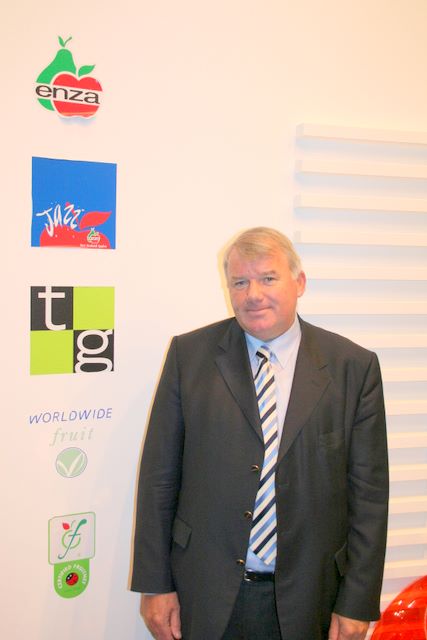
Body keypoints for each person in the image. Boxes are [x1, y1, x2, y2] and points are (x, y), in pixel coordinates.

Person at [131, 227, 389, 640]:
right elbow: (159, 477)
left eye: (268, 278)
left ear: (299, 282)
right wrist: (155, 584)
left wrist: (357, 601)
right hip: (206, 591)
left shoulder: (353, 368)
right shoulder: (189, 357)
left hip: (312, 597)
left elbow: (370, 497)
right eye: (240, 282)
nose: (253, 294)